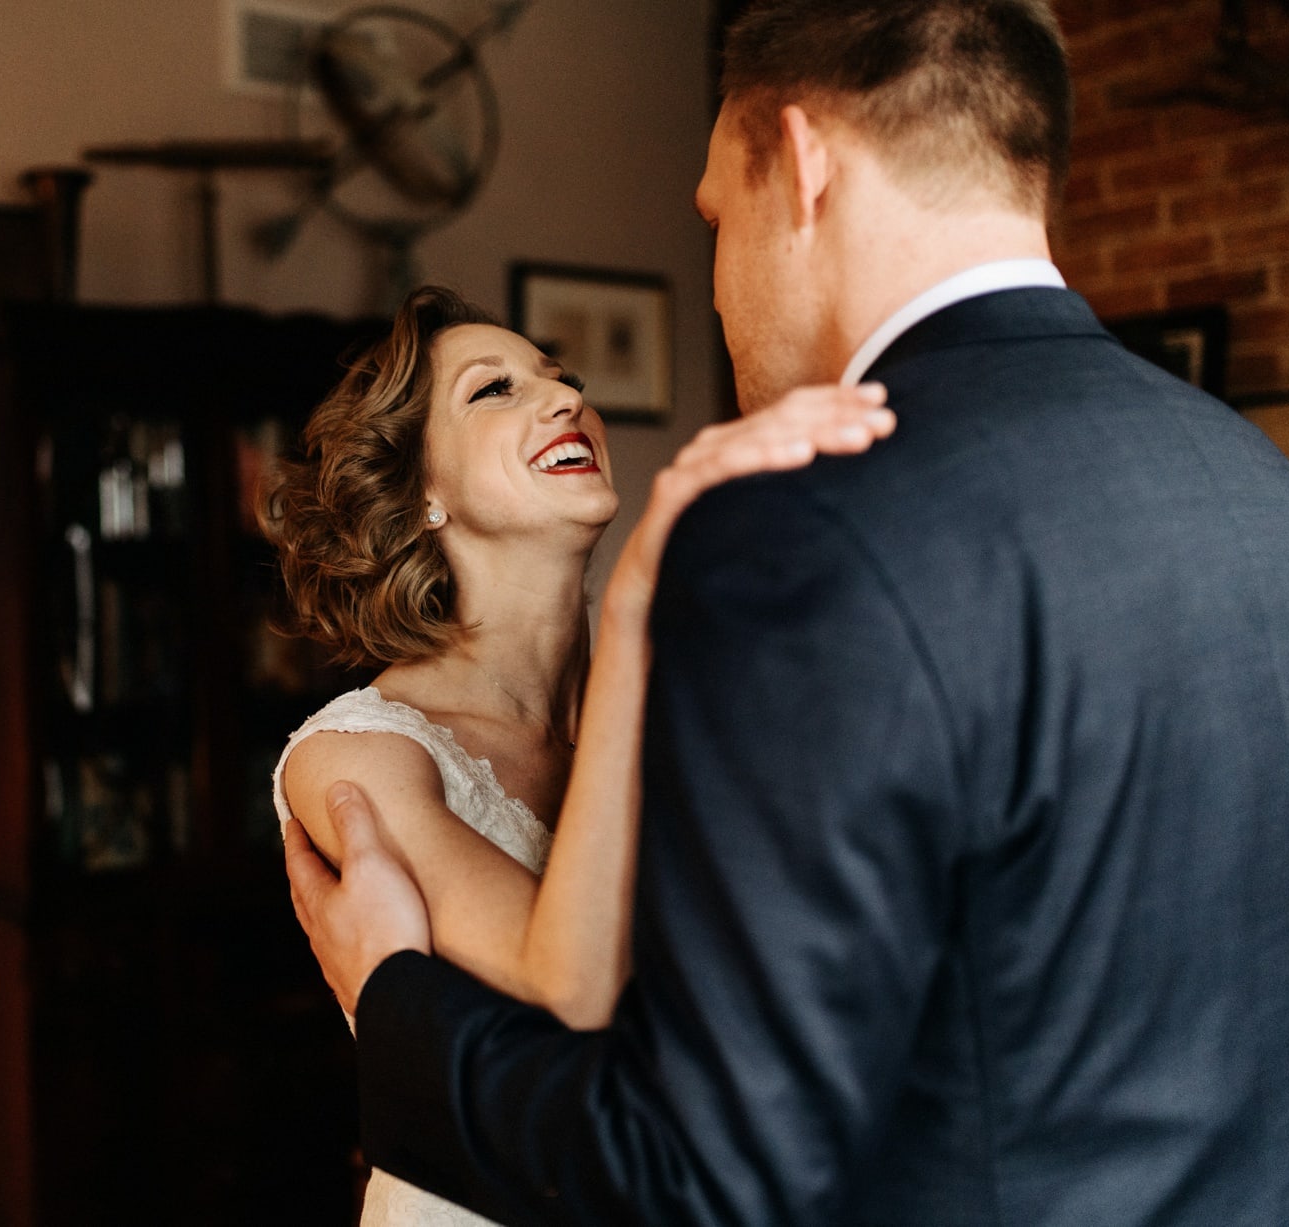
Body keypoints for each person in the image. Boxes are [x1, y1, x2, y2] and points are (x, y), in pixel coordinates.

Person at [283, 1, 1289, 1224]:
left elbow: (711, 1170)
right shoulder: (1253, 481)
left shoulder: (807, 538)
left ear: (805, 169)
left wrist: (390, 1001)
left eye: (715, 216)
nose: (715, 277)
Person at [265, 285, 896, 1226]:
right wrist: (643, 590)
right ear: (420, 492)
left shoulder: (692, 701)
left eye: (564, 380)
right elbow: (565, 986)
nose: (564, 401)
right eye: (495, 391)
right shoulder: (357, 756)